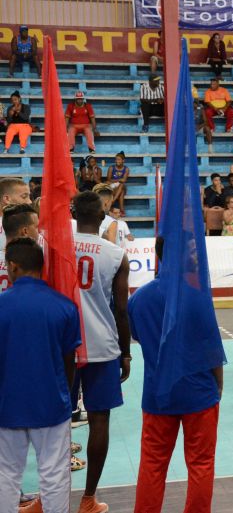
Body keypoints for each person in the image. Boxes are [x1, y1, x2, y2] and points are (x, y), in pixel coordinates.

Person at [129, 236, 225, 513]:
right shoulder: (197, 297)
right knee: (201, 463)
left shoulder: (139, 299)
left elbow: (138, 336)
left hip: (158, 393)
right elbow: (212, 348)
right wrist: (217, 385)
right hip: (198, 392)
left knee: (152, 464)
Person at [0, 238, 80, 513]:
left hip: (6, 405)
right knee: (55, 475)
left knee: (6, 475)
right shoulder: (64, 307)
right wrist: (64, 396)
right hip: (51, 403)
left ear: (13, 266)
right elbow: (69, 361)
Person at [72, 191, 131, 513]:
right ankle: (88, 498)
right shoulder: (115, 253)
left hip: (63, 346)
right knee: (99, 420)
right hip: (102, 346)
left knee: (55, 424)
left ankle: (48, 495)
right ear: (103, 214)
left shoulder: (53, 245)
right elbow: (122, 310)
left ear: (73, 213)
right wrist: (127, 353)